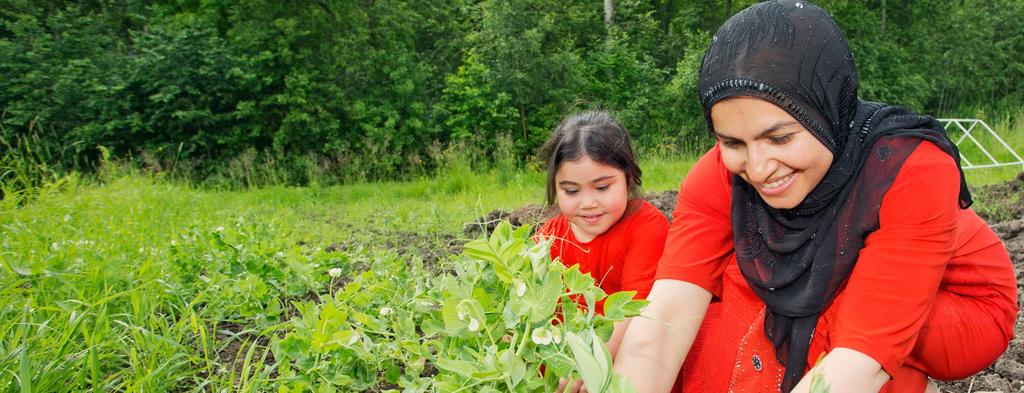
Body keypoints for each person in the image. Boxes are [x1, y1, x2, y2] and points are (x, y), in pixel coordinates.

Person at [612, 2, 1018, 393]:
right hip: (843, 285)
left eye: (780, 137)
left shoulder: (911, 168)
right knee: (717, 317)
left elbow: (856, 358)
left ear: (825, 110)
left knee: (805, 308)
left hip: (960, 307)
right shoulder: (718, 172)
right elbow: (667, 314)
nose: (758, 168)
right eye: (732, 142)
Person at [534, 110, 670, 391]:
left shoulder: (646, 227)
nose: (588, 203)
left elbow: (632, 311)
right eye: (571, 191)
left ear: (628, 177)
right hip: (559, 372)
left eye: (602, 187)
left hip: (626, 366)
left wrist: (591, 367)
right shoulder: (547, 238)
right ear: (555, 188)